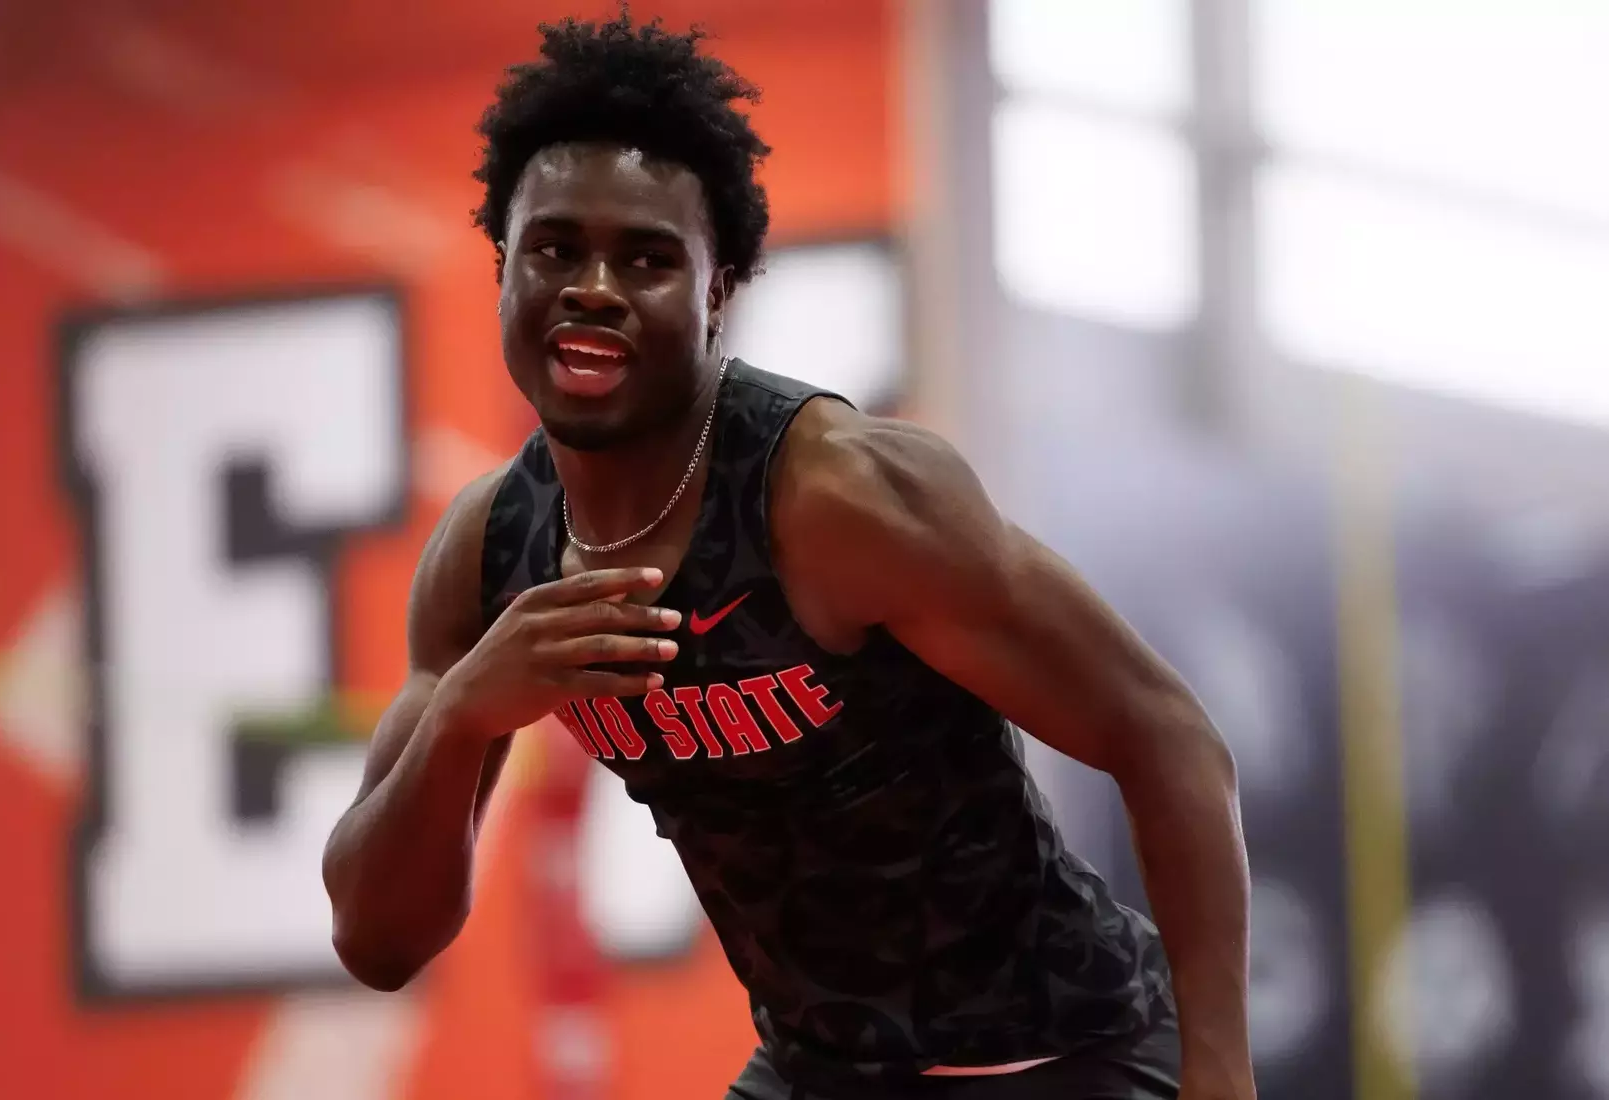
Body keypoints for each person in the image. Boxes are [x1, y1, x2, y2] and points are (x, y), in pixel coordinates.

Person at [322, 10, 1255, 1099]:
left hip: (1056, 1055)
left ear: (717, 293)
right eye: (555, 247)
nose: (593, 288)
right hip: (822, 1073)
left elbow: (1168, 733)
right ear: (504, 268)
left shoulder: (839, 495)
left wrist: (1221, 1072)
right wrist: (465, 710)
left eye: (648, 258)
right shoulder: (490, 556)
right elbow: (376, 941)